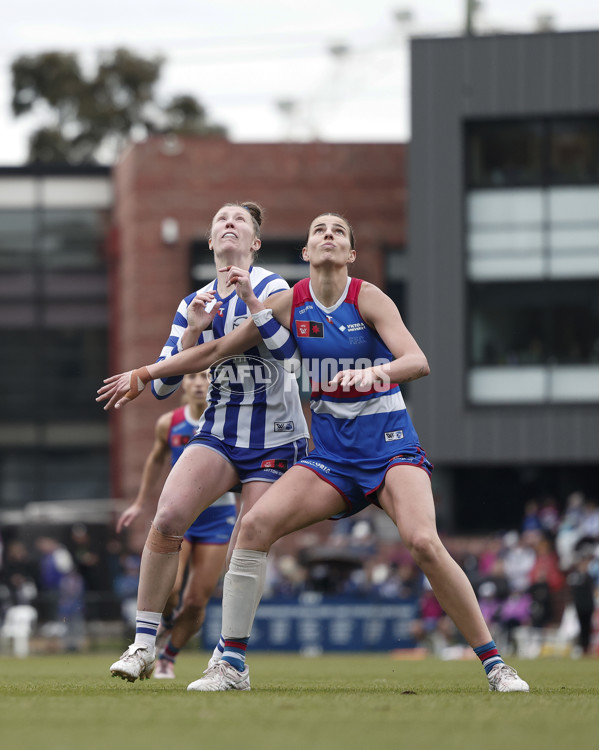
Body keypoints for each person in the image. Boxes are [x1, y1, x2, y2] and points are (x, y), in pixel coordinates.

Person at [99, 212, 529, 693]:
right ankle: (231, 665)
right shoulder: (287, 302)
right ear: (306, 253)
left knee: (424, 543)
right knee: (255, 526)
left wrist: (374, 374)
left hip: (389, 448)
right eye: (318, 231)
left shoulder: (368, 297)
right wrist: (147, 373)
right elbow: (214, 350)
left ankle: (495, 664)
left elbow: (418, 361)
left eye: (339, 231)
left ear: (350, 253)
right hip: (331, 458)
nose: (328, 235)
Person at [102, 201, 309, 682]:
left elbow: (287, 351)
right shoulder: (191, 302)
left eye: (240, 220)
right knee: (168, 517)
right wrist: (194, 327)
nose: (229, 224)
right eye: (220, 220)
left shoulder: (276, 286)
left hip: (276, 437)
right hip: (219, 429)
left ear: (254, 243)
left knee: (248, 539)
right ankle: (142, 646)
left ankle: (231, 659)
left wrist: (252, 304)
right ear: (213, 243)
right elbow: (162, 388)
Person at [115, 371, 238, 679]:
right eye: (193, 376)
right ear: (183, 383)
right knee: (171, 592)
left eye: (207, 376)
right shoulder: (168, 423)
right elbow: (156, 459)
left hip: (217, 519)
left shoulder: (230, 420)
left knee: (196, 602)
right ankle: (162, 626)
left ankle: (169, 656)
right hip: (182, 518)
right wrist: (139, 502)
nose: (199, 382)